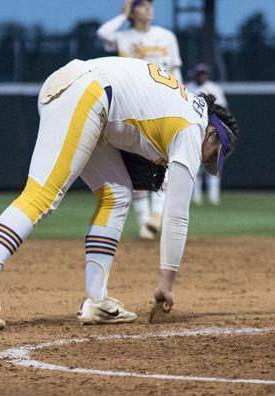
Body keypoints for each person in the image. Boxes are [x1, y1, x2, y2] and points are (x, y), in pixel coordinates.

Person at [0, 57, 238, 329]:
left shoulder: (187, 107)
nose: (205, 161)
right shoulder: (194, 128)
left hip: (87, 94)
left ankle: (97, 301)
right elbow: (176, 217)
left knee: (118, 194)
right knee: (42, 195)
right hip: (87, 93)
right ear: (213, 134)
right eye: (212, 155)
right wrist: (166, 283)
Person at [97, 0, 183, 239]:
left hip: (163, 105)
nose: (149, 9)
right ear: (133, 12)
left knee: (163, 163)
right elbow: (103, 33)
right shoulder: (124, 37)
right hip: (134, 105)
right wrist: (123, 15)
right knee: (134, 167)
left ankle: (156, 216)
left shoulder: (166, 37)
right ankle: (146, 222)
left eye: (149, 5)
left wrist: (182, 100)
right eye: (143, 6)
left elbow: (176, 72)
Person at [186, 63, 228, 205]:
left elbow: (221, 110)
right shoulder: (187, 88)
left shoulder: (214, 88)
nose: (201, 76)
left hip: (211, 130)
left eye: (203, 73)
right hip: (194, 130)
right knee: (195, 166)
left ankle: (213, 198)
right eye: (199, 73)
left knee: (213, 164)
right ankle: (195, 198)